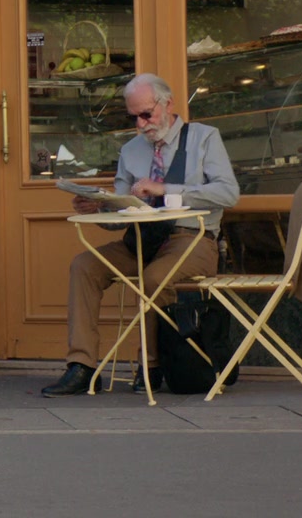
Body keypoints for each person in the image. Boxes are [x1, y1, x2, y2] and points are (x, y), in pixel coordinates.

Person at [41, 72, 239, 398]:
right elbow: (121, 215)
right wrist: (98, 209)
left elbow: (228, 194)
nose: (141, 124)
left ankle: (151, 364)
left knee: (154, 277)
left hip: (193, 238)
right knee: (84, 265)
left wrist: (165, 188)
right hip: (141, 239)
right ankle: (82, 366)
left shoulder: (203, 138)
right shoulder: (131, 150)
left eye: (147, 114)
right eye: (133, 117)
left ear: (169, 104)